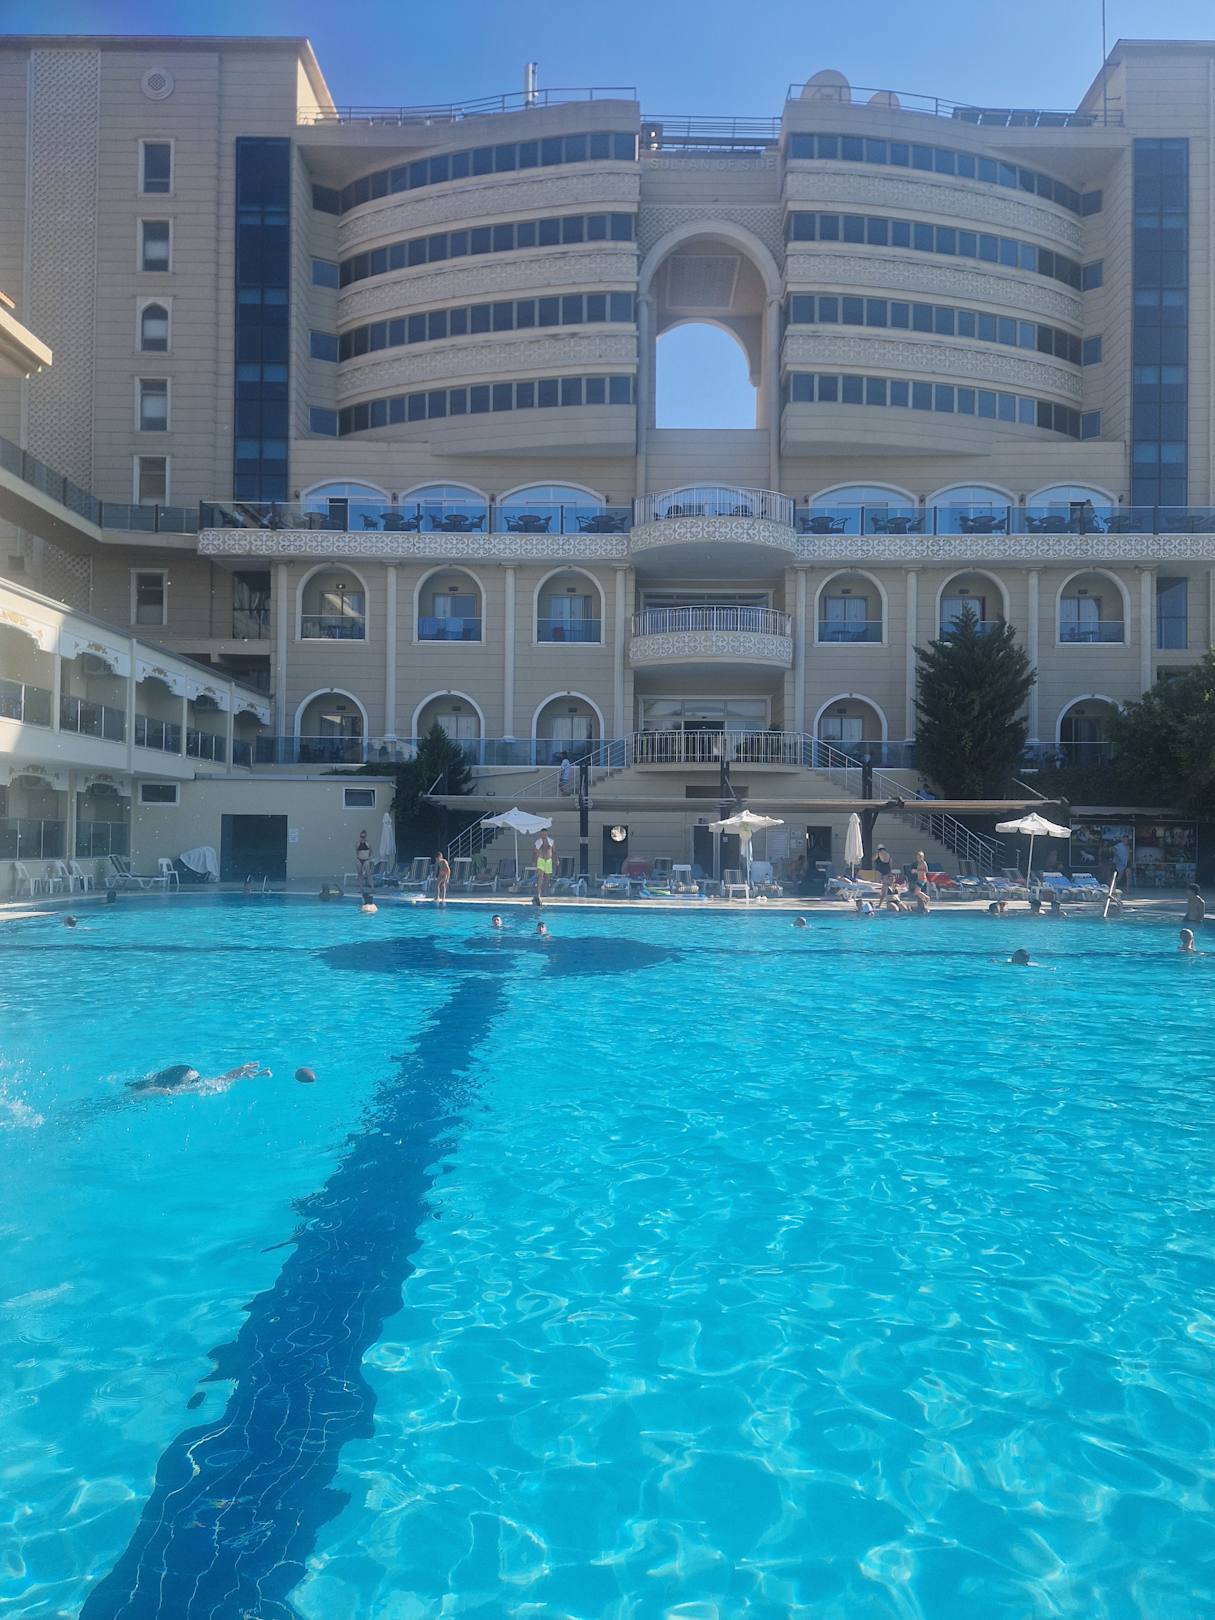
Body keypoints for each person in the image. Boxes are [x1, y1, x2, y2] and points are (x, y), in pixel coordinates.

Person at [127, 1061, 271, 1096]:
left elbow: (211, 1083)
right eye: (193, 1081)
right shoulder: (158, 1090)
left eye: (198, 1079)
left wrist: (236, 1074)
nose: (198, 1083)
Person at [534, 830, 556, 902]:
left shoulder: (551, 841)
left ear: (547, 834)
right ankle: (538, 893)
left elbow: (554, 851)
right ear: (540, 834)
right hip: (541, 860)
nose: (544, 835)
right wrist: (534, 861)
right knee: (540, 876)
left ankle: (545, 891)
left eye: (545, 834)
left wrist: (557, 860)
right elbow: (535, 852)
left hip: (548, 861)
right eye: (542, 834)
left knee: (547, 877)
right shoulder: (538, 842)